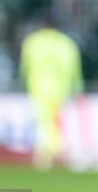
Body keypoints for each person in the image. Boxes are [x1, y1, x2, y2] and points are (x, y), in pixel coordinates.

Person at [20, 15, 83, 169]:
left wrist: (23, 83)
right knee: (56, 120)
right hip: (61, 89)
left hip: (38, 88)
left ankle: (46, 154)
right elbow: (74, 69)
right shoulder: (67, 43)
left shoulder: (32, 41)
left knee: (43, 121)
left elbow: (24, 67)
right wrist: (77, 88)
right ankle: (57, 152)